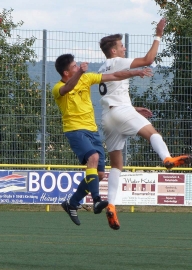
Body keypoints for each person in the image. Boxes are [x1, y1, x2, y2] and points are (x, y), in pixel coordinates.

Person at [98, 18, 192, 230]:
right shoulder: (119, 62)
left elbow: (114, 95)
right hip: (121, 112)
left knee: (116, 166)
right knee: (153, 134)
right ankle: (167, 158)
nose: (124, 49)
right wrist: (158, 34)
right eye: (121, 46)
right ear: (113, 51)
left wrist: (134, 109)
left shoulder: (101, 68)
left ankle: (111, 205)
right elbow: (149, 59)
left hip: (108, 117)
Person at [52, 54, 152, 226]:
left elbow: (114, 76)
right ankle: (97, 200)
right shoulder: (57, 88)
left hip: (92, 130)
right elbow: (68, 87)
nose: (78, 68)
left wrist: (136, 72)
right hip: (75, 130)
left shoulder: (87, 78)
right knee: (93, 158)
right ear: (66, 72)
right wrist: (79, 73)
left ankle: (72, 203)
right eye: (74, 67)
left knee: (99, 174)